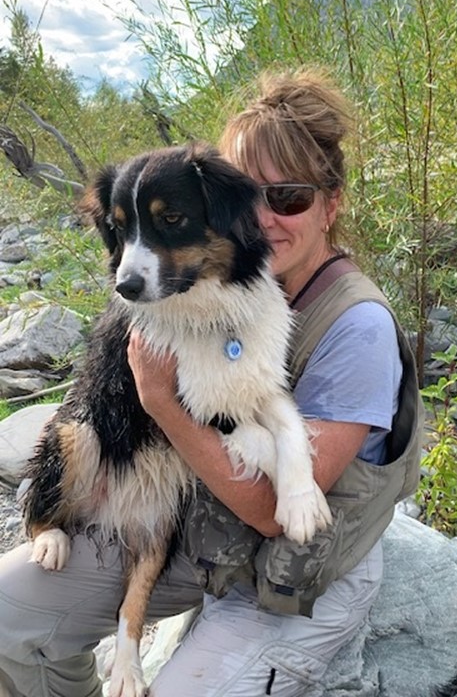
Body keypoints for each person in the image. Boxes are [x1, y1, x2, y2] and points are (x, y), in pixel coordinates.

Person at [0, 68, 423, 697]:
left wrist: (163, 403)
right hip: (202, 531)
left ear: (331, 204)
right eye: (248, 196)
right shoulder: (222, 283)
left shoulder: (356, 327)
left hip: (293, 579)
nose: (262, 216)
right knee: (7, 616)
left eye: (289, 199)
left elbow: (276, 516)